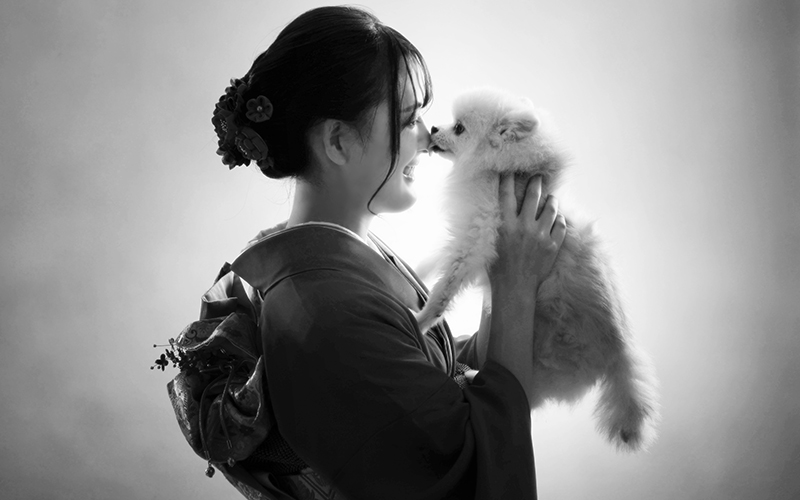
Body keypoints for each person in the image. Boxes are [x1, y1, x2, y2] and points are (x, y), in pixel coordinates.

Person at [203, 5, 566, 499]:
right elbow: (464, 472)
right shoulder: (326, 312)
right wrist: (515, 287)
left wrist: (509, 277)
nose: (427, 136)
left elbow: (421, 374)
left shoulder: (340, 261)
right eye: (409, 119)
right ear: (337, 141)